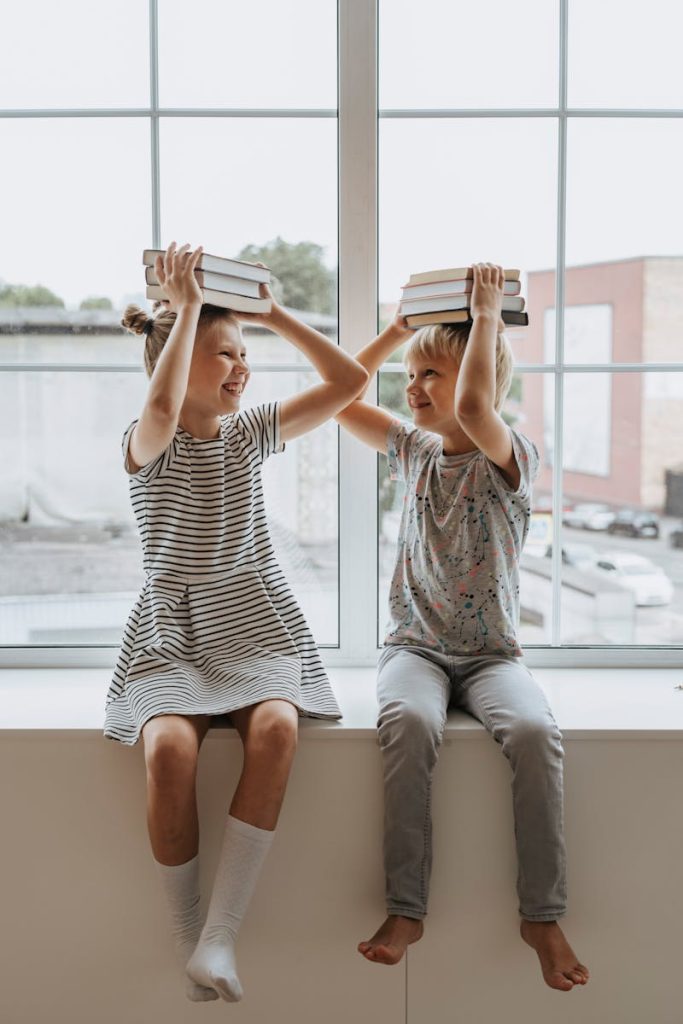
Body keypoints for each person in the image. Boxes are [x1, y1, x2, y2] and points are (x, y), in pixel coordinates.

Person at [103, 242, 368, 1002]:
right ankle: (189, 937)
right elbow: (160, 408)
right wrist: (187, 308)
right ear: (176, 361)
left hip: (252, 616)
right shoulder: (145, 442)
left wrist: (271, 312)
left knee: (278, 729)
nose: (241, 366)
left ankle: (221, 934)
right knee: (170, 754)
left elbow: (348, 383)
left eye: (243, 353)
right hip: (172, 628)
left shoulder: (250, 433)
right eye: (224, 354)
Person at [335, 263, 589, 992]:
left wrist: (483, 318)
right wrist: (396, 332)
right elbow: (340, 396)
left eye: (430, 376)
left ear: (478, 374)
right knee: (408, 723)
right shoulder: (411, 450)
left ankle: (540, 913)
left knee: (537, 734)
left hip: (490, 657)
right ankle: (405, 907)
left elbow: (476, 405)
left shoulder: (511, 458)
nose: (413, 389)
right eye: (411, 375)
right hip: (414, 648)